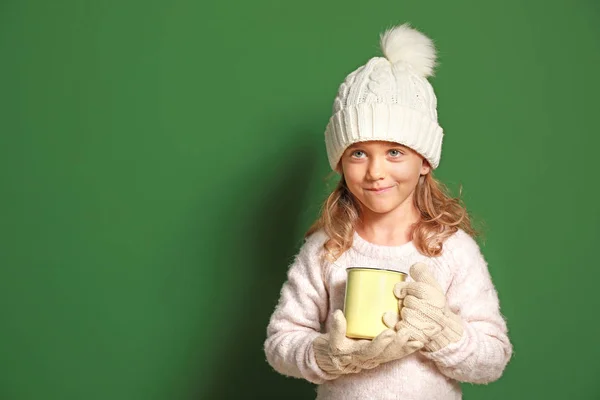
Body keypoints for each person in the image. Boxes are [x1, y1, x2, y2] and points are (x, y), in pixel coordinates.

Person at [263, 23, 512, 400]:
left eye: (395, 152)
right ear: (340, 163)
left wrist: (441, 328)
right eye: (359, 153)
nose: (376, 171)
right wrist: (325, 355)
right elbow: (280, 343)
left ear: (424, 160)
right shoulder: (326, 248)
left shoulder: (451, 249)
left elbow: (493, 360)